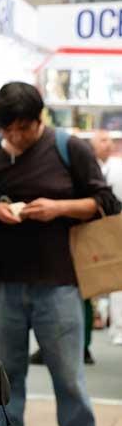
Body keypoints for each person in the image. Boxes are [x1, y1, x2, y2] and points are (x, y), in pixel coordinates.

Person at [0, 82, 120, 426]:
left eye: (22, 129)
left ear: (38, 120)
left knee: (68, 376)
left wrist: (58, 208)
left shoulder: (69, 149)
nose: (15, 137)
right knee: (7, 376)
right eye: (7, 129)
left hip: (59, 283)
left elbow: (106, 203)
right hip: (4, 284)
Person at [91, 130, 122, 345]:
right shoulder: (91, 167)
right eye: (102, 140)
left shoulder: (116, 168)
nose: (108, 144)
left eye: (110, 140)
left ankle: (117, 326)